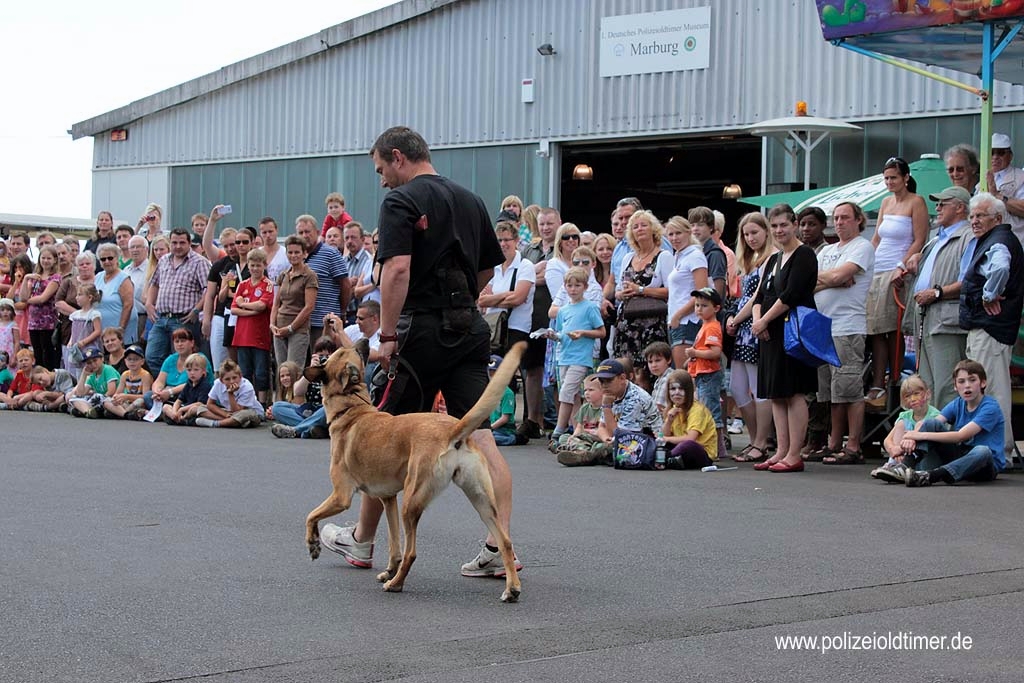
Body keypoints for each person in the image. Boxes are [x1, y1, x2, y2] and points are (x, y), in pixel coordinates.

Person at [317, 126, 520, 579]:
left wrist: (387, 336)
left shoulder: (400, 200)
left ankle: (363, 541)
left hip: (420, 333)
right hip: (468, 326)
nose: (382, 180)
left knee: (378, 432)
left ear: (397, 157)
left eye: (380, 170)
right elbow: (488, 266)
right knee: (478, 434)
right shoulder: (471, 199)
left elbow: (397, 270)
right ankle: (497, 544)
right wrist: (463, 300)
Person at [751, 204, 819, 473]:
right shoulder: (773, 258)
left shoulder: (804, 255)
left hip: (791, 330)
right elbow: (759, 296)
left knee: (794, 392)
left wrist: (765, 319)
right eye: (775, 226)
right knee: (776, 394)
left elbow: (791, 295)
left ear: (794, 224)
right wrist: (759, 320)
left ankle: (794, 453)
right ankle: (780, 449)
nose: (779, 230)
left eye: (784, 225)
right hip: (769, 331)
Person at [958, 192, 1024, 468]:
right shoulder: (994, 240)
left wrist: (989, 295)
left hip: (990, 327)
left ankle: (999, 452)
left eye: (980, 215)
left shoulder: (999, 241)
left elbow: (999, 269)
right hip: (985, 327)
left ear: (997, 218)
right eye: (972, 216)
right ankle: (995, 450)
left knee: (991, 388)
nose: (974, 221)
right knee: (990, 386)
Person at [809, 202, 875, 465]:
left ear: (859, 220)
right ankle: (833, 443)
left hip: (848, 326)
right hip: (824, 327)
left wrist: (835, 278)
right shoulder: (827, 250)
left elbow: (841, 276)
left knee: (849, 388)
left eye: (845, 218)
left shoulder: (862, 246)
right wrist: (833, 278)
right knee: (830, 392)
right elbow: (808, 280)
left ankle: (853, 445)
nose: (839, 222)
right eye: (835, 218)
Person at [901, 186, 972, 409]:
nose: (937, 208)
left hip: (946, 321)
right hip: (926, 318)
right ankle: (932, 436)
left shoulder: (968, 237)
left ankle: (949, 437)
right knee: (927, 384)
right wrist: (916, 262)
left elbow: (970, 281)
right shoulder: (935, 240)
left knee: (947, 384)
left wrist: (937, 292)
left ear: (960, 207)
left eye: (943, 203)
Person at [866, 156, 928, 406]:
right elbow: (876, 238)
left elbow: (919, 239)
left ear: (905, 177)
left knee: (893, 327)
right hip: (877, 270)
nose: (889, 182)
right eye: (886, 178)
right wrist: (864, 262)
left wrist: (902, 266)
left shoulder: (916, 201)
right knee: (876, 329)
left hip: (898, 270)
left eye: (893, 177)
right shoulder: (885, 202)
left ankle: (891, 379)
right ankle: (877, 380)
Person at [902, 360, 1006, 486]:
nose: (967, 385)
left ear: (983, 383)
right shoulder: (958, 403)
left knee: (983, 450)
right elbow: (930, 423)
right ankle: (905, 466)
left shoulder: (990, 407)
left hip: (985, 466)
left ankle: (932, 475)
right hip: (960, 456)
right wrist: (912, 436)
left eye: (972, 380)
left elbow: (961, 436)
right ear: (955, 386)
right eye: (961, 382)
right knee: (930, 424)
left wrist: (919, 435)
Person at [725, 212, 775, 463]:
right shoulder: (749, 259)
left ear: (766, 231)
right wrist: (732, 317)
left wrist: (736, 318)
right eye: (746, 234)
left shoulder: (771, 257)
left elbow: (759, 295)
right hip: (743, 328)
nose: (750, 238)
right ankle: (755, 439)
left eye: (755, 232)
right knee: (737, 387)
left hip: (755, 325)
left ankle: (761, 442)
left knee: (759, 388)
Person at [612, 210, 672, 392]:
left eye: (644, 225)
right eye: (635, 226)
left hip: (651, 325)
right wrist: (621, 294)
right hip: (627, 323)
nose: (640, 229)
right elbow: (617, 288)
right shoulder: (627, 258)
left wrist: (641, 290)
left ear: (653, 229)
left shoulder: (664, 256)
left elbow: (671, 291)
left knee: (647, 373)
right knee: (627, 371)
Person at [544, 266, 604, 443]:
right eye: (569, 286)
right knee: (574, 395)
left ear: (585, 287)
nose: (573, 289)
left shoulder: (590, 307)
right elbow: (562, 333)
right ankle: (577, 430)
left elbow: (601, 332)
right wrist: (554, 336)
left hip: (581, 357)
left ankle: (558, 430)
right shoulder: (563, 310)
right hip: (564, 356)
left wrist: (583, 333)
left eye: (577, 285)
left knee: (566, 392)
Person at [516, 206, 559, 441]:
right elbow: (522, 277)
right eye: (542, 224)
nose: (545, 228)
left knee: (557, 373)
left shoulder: (564, 247)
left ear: (558, 223)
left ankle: (561, 424)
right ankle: (533, 420)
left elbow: (559, 276)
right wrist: (534, 275)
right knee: (532, 370)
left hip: (555, 317)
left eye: (550, 223)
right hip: (531, 317)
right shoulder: (529, 250)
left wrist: (534, 277)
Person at [145, 228, 211, 372]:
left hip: (184, 320)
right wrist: (149, 303)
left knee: (182, 359)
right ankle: (165, 386)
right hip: (161, 318)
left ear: (189, 243)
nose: (178, 246)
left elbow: (209, 289)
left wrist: (197, 309)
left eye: (182, 242)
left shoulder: (200, 262)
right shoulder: (163, 260)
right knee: (152, 356)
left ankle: (179, 390)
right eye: (174, 243)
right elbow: (154, 283)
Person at [871, 375, 942, 484]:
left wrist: (901, 448)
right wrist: (893, 450)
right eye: (908, 396)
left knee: (922, 425)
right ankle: (893, 464)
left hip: (925, 455)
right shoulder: (905, 416)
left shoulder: (935, 415)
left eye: (916, 394)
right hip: (904, 453)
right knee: (901, 424)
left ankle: (903, 468)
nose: (912, 399)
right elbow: (887, 440)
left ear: (927, 394)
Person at [685, 287, 726, 459]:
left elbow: (715, 353)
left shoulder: (712, 327)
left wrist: (695, 354)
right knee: (705, 408)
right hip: (702, 372)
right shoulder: (705, 326)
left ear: (716, 308)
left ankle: (717, 448)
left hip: (709, 373)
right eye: (697, 305)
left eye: (704, 306)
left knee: (710, 410)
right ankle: (714, 446)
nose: (699, 309)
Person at [268, 335, 336, 439]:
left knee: (328, 407)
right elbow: (297, 391)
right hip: (308, 410)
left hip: (327, 411)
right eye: (321, 356)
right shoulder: (311, 371)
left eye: (327, 356)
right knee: (277, 407)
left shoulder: (338, 373)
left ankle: (296, 430)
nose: (324, 359)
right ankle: (312, 429)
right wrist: (312, 370)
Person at [295, 214, 350, 342]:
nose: (304, 235)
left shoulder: (331, 253)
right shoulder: (296, 257)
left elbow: (345, 284)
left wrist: (341, 311)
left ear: (318, 232)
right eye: (300, 232)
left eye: (308, 232)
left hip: (323, 323)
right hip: (301, 323)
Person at [230, 248, 274, 403]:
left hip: (259, 335)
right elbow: (234, 308)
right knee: (245, 371)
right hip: (242, 336)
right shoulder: (242, 285)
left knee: (261, 371)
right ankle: (246, 401)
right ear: (248, 265)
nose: (255, 269)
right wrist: (250, 310)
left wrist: (244, 304)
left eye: (258, 265)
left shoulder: (267, 285)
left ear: (264, 265)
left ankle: (261, 403)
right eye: (252, 265)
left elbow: (262, 306)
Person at [665, 215, 709, 371]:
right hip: (677, 322)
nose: (674, 238)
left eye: (678, 233)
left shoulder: (695, 256)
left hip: (687, 322)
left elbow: (702, 292)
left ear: (688, 232)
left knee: (685, 375)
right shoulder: (680, 256)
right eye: (670, 234)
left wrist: (678, 315)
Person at [594, 357, 663, 453]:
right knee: (577, 437)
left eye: (609, 380)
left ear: (622, 378)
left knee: (601, 449)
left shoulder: (635, 398)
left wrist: (606, 407)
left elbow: (620, 437)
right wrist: (606, 439)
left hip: (644, 443)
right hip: (618, 437)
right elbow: (601, 427)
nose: (604, 385)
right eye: (601, 381)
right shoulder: (610, 394)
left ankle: (587, 454)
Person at [270, 235, 318, 366]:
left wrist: (291, 328)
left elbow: (309, 307)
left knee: (293, 369)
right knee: (282, 370)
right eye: (290, 252)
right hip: (279, 328)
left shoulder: (309, 276)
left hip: (298, 330)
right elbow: (276, 303)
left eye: (297, 252)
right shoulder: (283, 275)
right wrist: (272, 324)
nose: (293, 255)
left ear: (304, 254)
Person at [201, 227, 241, 372]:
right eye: (226, 246)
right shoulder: (219, 265)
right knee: (220, 360)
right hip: (220, 314)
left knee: (239, 359)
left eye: (233, 244)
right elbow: (210, 295)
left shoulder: (250, 263)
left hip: (242, 314)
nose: (230, 249)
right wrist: (206, 320)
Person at [660, 369, 717, 470]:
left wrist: (666, 439)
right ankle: (670, 459)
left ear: (689, 391)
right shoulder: (672, 408)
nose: (677, 393)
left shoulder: (697, 410)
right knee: (655, 440)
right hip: (679, 448)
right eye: (673, 389)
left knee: (688, 445)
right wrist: (669, 420)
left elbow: (691, 438)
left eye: (681, 389)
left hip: (702, 453)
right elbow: (665, 435)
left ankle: (664, 459)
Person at [146, 327, 214, 409]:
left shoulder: (199, 358)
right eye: (176, 341)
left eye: (183, 341)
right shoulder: (170, 359)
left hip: (191, 395)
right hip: (169, 395)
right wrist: (157, 391)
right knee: (148, 396)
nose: (179, 344)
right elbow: (159, 381)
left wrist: (169, 392)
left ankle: (164, 412)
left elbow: (191, 384)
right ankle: (166, 411)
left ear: (192, 343)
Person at [553, 374, 613, 466]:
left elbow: (608, 432)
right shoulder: (584, 408)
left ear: (603, 392)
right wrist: (574, 436)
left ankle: (578, 452)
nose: (587, 393)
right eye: (585, 390)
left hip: (598, 439)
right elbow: (579, 427)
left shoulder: (607, 409)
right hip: (584, 438)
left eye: (591, 390)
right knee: (564, 437)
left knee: (606, 446)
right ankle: (584, 453)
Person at [19, 244, 61, 370]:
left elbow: (43, 298)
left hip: (47, 323)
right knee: (37, 353)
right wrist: (26, 279)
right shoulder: (35, 277)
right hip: (33, 322)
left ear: (54, 260)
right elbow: (22, 297)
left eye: (49, 258)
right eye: (43, 258)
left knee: (47, 352)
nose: (45, 261)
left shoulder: (55, 278)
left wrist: (28, 300)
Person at [194, 359, 264, 428]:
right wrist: (225, 414)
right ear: (221, 380)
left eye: (234, 378)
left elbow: (237, 411)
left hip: (249, 412)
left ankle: (216, 423)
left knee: (243, 415)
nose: (232, 381)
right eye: (227, 379)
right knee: (201, 408)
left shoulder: (247, 387)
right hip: (229, 412)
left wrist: (231, 394)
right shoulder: (218, 383)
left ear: (240, 376)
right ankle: (230, 422)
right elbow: (210, 404)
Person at [984, 133, 1024, 244]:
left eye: (1000, 153)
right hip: (987, 241)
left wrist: (998, 196)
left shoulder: (1021, 177)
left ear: (1010, 156)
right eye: (992, 153)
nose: (995, 157)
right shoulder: (981, 180)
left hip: (1014, 241)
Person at [94, 243, 136, 344]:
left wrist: (121, 329)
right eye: (103, 259)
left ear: (117, 258)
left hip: (120, 333)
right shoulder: (98, 277)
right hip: (102, 334)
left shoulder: (123, 279)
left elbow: (128, 305)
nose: (107, 261)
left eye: (110, 258)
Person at [101, 344, 153, 419]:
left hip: (138, 403)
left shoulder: (145, 375)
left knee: (140, 401)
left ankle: (119, 413)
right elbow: (117, 393)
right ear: (125, 361)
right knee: (107, 401)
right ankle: (127, 414)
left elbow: (145, 396)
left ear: (142, 361)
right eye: (129, 359)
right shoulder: (125, 374)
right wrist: (116, 399)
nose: (132, 362)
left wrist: (127, 396)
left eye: (135, 359)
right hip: (126, 403)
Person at [162, 352, 214, 425]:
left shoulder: (205, 385)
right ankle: (175, 418)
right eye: (189, 370)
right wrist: (174, 412)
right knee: (165, 407)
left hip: (195, 409)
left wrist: (182, 409)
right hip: (185, 407)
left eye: (196, 370)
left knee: (194, 410)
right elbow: (179, 400)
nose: (192, 373)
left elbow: (200, 403)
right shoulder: (188, 384)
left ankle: (183, 419)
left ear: (203, 371)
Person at [65, 284, 103, 380]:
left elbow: (97, 331)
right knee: (78, 368)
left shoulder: (94, 314)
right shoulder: (75, 314)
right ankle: (79, 385)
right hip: (77, 347)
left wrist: (84, 341)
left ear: (89, 297)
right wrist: (71, 341)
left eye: (80, 295)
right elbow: (73, 330)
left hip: (88, 346)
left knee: (90, 367)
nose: (76, 297)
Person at [68, 347, 118, 418]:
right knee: (74, 398)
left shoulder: (108, 369)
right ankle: (88, 412)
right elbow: (80, 393)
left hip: (111, 399)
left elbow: (111, 391)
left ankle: (84, 410)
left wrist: (96, 401)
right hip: (99, 400)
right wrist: (84, 375)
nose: (93, 364)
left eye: (95, 360)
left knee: (97, 396)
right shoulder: (92, 375)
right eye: (89, 363)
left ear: (102, 359)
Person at [342, 221, 373, 324]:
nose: (350, 241)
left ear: (363, 239)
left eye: (353, 237)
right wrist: (349, 285)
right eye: (347, 238)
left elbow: (360, 291)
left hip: (360, 316)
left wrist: (347, 287)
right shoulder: (343, 261)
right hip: (344, 314)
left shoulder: (368, 262)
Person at [121, 235, 150, 342]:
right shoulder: (125, 271)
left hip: (143, 318)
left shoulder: (152, 270)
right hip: (126, 318)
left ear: (146, 249)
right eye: (132, 247)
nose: (135, 250)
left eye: (138, 247)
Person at [487, 354, 518, 446]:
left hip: (504, 430)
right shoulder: (489, 391)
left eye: (495, 373)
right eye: (490, 373)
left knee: (490, 438)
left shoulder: (507, 393)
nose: (492, 376)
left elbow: (505, 418)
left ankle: (512, 439)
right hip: (493, 428)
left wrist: (490, 428)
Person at [257, 217, 289, 283]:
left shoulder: (286, 253)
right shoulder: (256, 254)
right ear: (260, 233)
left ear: (276, 231)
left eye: (270, 231)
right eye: (264, 232)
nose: (268, 235)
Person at [644, 341, 673, 412]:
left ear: (669, 360)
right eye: (650, 362)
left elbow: (658, 407)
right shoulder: (660, 378)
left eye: (658, 360)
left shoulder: (667, 378)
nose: (654, 365)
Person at [0, 297, 20, 361]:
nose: (5, 312)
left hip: (9, 352)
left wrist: (14, 356)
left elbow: (17, 342)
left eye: (8, 310)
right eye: (2, 310)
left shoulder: (13, 325)